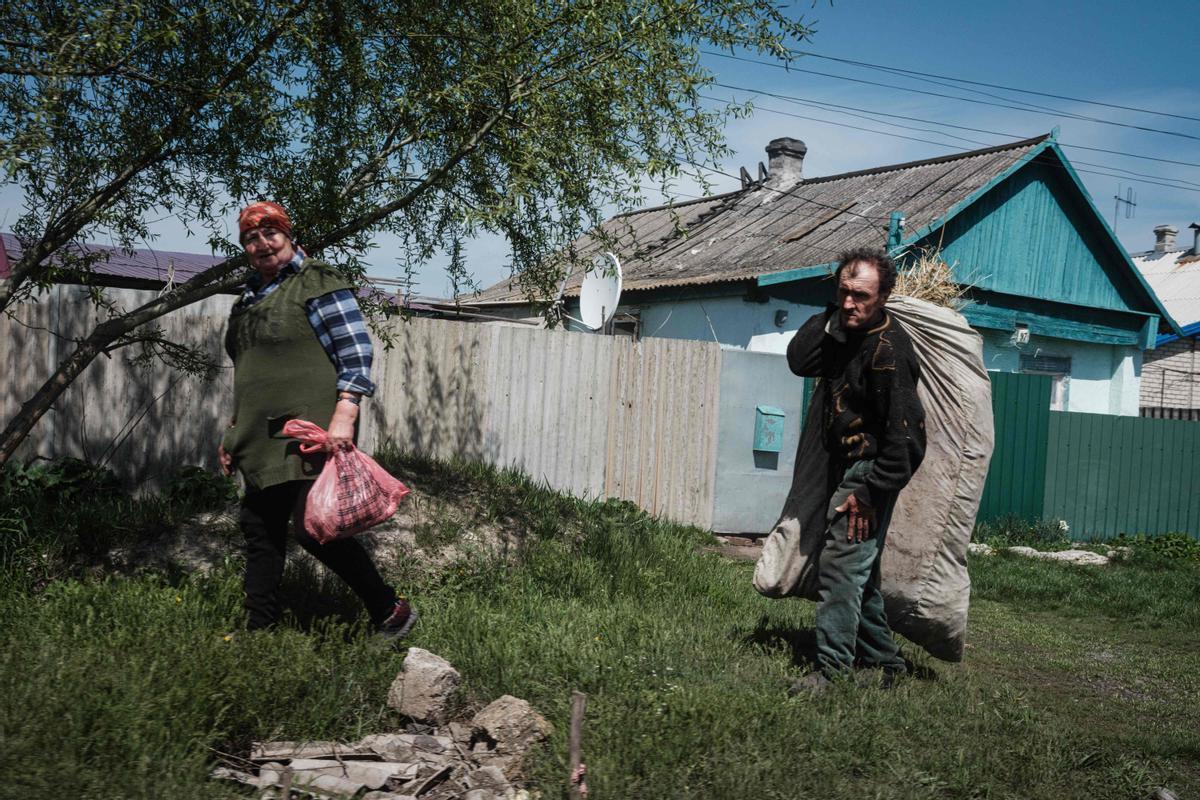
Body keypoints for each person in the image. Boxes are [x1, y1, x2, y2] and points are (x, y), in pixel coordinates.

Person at [218, 200, 416, 638]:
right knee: (259, 529)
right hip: (259, 434)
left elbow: (355, 350)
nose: (262, 244)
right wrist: (233, 433)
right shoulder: (248, 299)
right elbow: (248, 373)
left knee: (314, 528)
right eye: (251, 238)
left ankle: (390, 612)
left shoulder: (316, 280)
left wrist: (346, 412)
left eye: (270, 232)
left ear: (288, 234)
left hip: (313, 429)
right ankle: (259, 632)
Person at [784, 248, 926, 693]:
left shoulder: (888, 352)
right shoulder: (846, 332)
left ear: (883, 296)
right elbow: (800, 361)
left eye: (860, 296)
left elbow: (908, 441)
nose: (850, 303)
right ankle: (886, 665)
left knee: (841, 572)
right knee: (858, 575)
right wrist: (833, 316)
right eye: (843, 292)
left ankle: (832, 673)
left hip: (868, 474)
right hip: (845, 466)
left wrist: (868, 491)